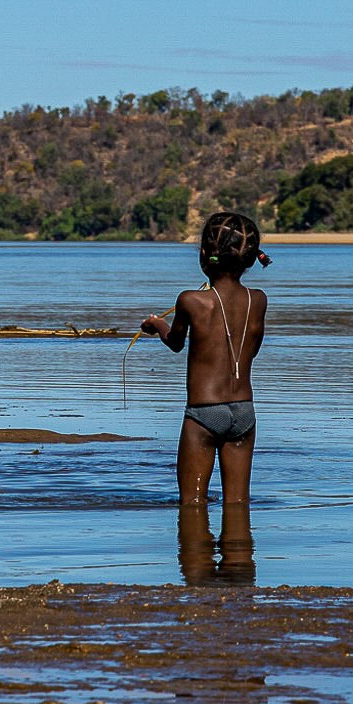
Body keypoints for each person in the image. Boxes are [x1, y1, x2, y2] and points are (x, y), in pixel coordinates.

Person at [140, 211, 269, 505]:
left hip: (203, 413)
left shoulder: (191, 300)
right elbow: (253, 346)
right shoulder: (258, 300)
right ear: (250, 259)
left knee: (192, 505)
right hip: (245, 413)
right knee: (238, 504)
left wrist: (156, 324)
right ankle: (240, 548)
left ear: (204, 254)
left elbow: (175, 342)